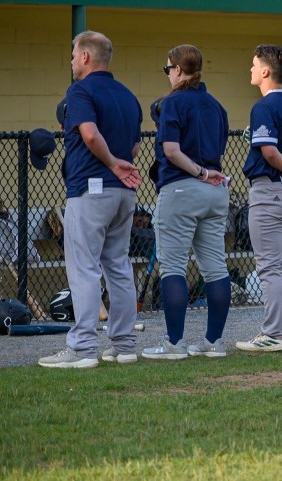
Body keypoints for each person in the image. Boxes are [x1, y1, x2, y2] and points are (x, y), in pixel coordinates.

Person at [39, 31, 143, 369]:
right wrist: (119, 165)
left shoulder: (80, 90)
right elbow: (135, 147)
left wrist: (111, 163)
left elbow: (89, 133)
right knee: (118, 266)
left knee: (84, 268)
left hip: (91, 189)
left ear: (85, 56)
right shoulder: (128, 95)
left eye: (73, 55)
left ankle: (82, 348)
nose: (71, 61)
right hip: (124, 193)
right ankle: (124, 345)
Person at [142, 45, 232, 359]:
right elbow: (219, 147)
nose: (168, 74)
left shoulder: (173, 102)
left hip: (182, 188)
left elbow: (171, 151)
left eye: (168, 68)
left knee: (173, 267)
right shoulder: (216, 105)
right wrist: (207, 172)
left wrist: (199, 171)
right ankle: (214, 342)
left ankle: (174, 344)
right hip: (215, 191)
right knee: (215, 267)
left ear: (178, 70)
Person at [234, 45, 282, 352]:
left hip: (271, 188)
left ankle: (273, 333)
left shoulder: (263, 105)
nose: (251, 70)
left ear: (266, 71)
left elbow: (269, 151)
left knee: (270, 267)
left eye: (254, 65)